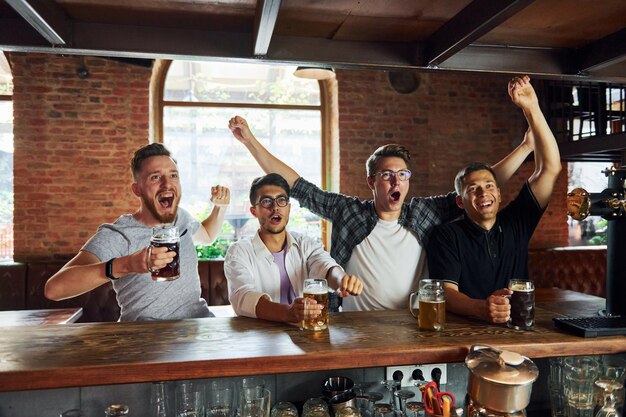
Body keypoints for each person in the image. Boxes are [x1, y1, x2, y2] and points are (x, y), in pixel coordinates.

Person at [227, 96, 534, 311]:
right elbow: (297, 186)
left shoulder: (424, 212)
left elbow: (479, 190)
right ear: (372, 182)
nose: (395, 181)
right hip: (356, 324)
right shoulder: (349, 212)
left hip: (414, 321)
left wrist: (524, 148)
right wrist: (250, 141)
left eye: (402, 174)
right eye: (387, 175)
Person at [426, 76, 562, 324]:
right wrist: (481, 309)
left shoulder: (517, 221)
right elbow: (445, 292)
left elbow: (550, 168)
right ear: (460, 201)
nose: (483, 193)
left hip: (519, 326)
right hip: (466, 331)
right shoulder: (446, 235)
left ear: (499, 193)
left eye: (489, 186)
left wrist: (531, 107)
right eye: (473, 189)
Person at [44, 143, 231, 321]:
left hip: (197, 329)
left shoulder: (180, 217)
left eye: (173, 175)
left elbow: (207, 235)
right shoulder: (119, 234)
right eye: (155, 177)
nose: (167, 184)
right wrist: (126, 265)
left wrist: (219, 207)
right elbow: (54, 288)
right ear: (137, 189)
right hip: (146, 338)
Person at [224, 173, 363, 323]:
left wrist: (342, 280)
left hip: (306, 334)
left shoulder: (305, 243)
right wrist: (288, 313)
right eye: (266, 202)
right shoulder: (238, 252)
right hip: (261, 338)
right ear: (254, 211)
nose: (275, 207)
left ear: (288, 208)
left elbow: (325, 266)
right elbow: (242, 296)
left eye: (281, 200)